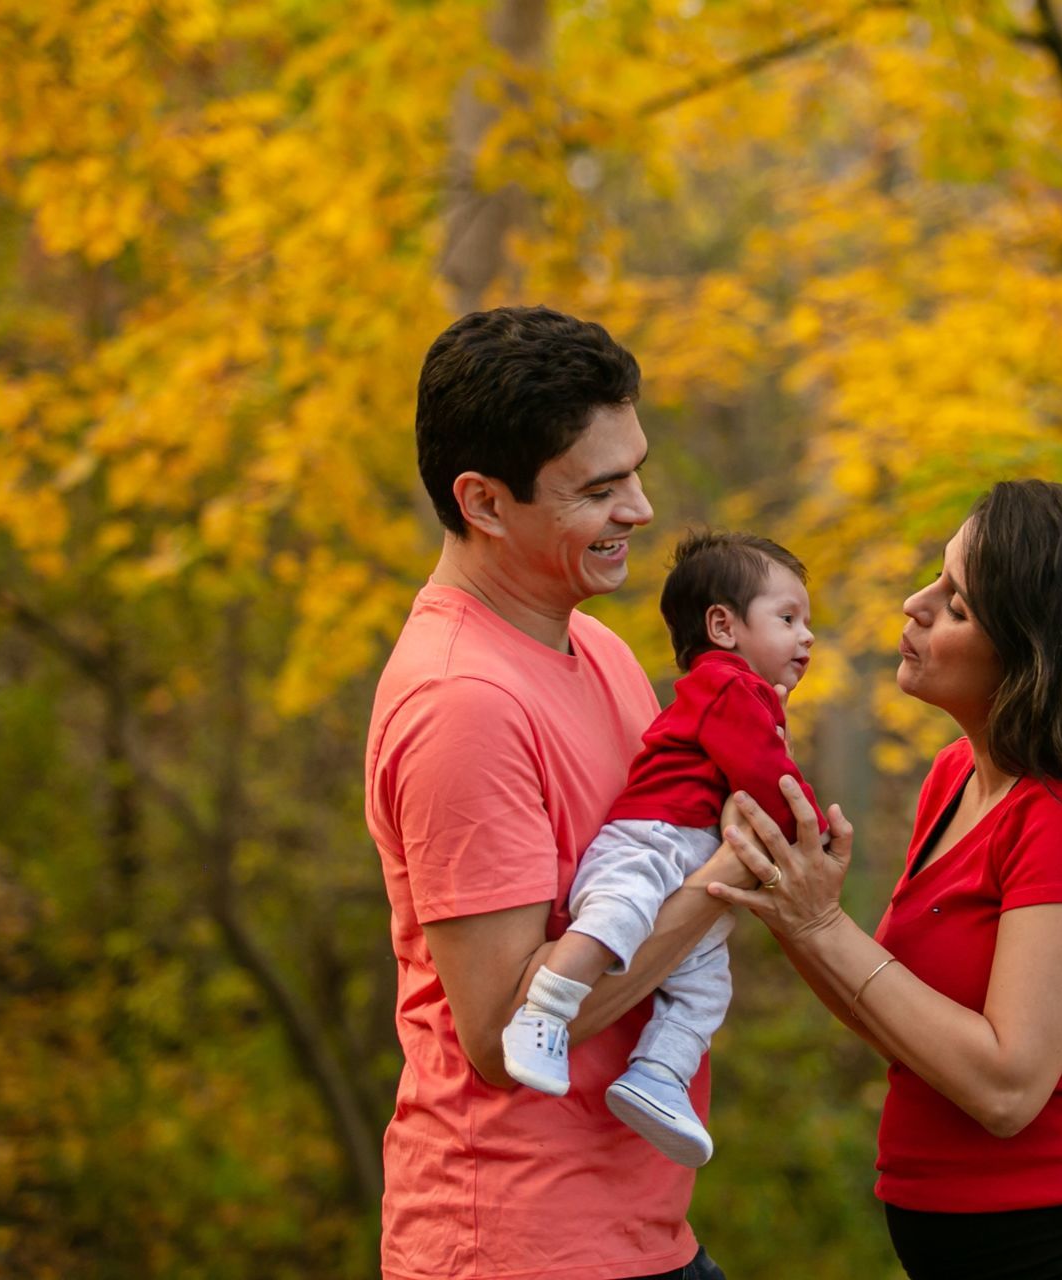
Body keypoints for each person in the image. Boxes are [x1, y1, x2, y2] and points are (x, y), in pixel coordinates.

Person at [711, 479, 1062, 1280]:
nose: (914, 604)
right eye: (936, 579)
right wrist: (795, 912)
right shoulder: (954, 780)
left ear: (1038, 653)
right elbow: (903, 1024)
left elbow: (1006, 1086)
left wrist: (824, 927)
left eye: (957, 605)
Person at [365, 306, 752, 1280]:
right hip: (514, 1240)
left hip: (637, 1229)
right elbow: (501, 1035)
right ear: (485, 502)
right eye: (601, 487)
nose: (642, 509)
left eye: (638, 468)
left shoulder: (603, 649)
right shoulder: (465, 702)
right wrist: (726, 880)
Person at [502, 529, 825, 1169]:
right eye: (788, 618)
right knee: (616, 918)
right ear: (723, 626)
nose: (807, 636)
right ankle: (541, 1013)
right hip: (651, 838)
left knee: (706, 985)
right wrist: (809, 830)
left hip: (693, 852)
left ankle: (657, 1077)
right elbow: (764, 775)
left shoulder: (750, 694)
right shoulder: (726, 685)